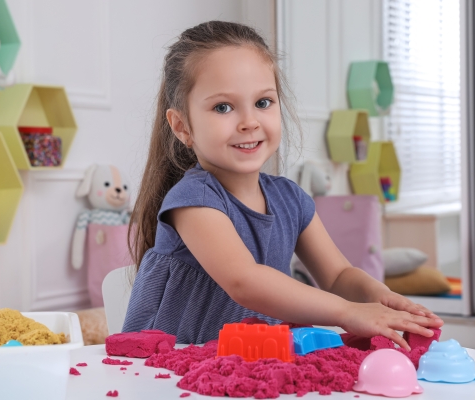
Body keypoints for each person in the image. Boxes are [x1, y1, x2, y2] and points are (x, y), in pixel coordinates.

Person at [123, 20, 443, 346]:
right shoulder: (193, 200)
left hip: (244, 366)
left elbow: (337, 275)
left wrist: (381, 298)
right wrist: (347, 312)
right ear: (182, 127)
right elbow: (244, 281)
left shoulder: (291, 199)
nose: (249, 122)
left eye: (263, 102)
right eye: (223, 107)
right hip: (165, 367)